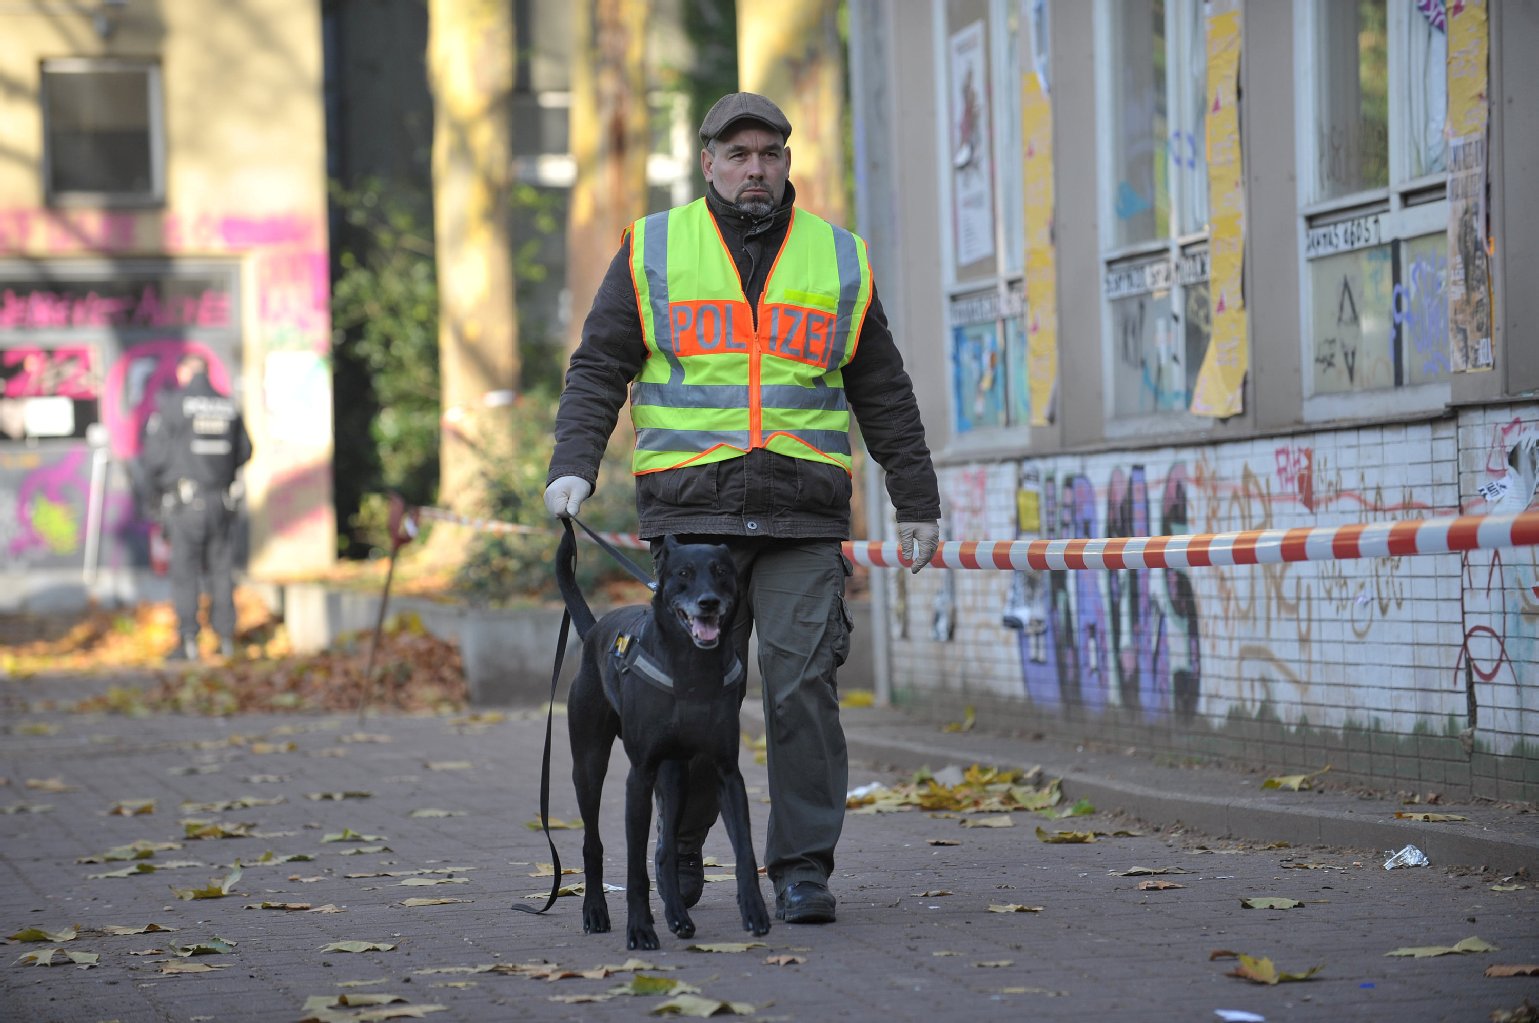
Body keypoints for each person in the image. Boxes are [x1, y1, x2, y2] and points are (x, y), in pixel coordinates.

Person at [545, 92, 941, 925]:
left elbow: (882, 389)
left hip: (801, 515)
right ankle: (682, 850)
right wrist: (571, 467)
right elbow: (597, 366)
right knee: (692, 700)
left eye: (768, 153)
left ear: (787, 162)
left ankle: (801, 868)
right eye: (738, 154)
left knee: (800, 685)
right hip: (694, 521)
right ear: (707, 163)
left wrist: (916, 501)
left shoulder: (837, 258)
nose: (754, 168)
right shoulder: (653, 248)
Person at [141, 353, 252, 662]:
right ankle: (226, 638)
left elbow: (154, 458)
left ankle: (188, 640)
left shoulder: (174, 404)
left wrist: (153, 499)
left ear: (184, 372)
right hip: (221, 501)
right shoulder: (228, 404)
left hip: (185, 503)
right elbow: (246, 450)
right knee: (220, 570)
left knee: (185, 572)